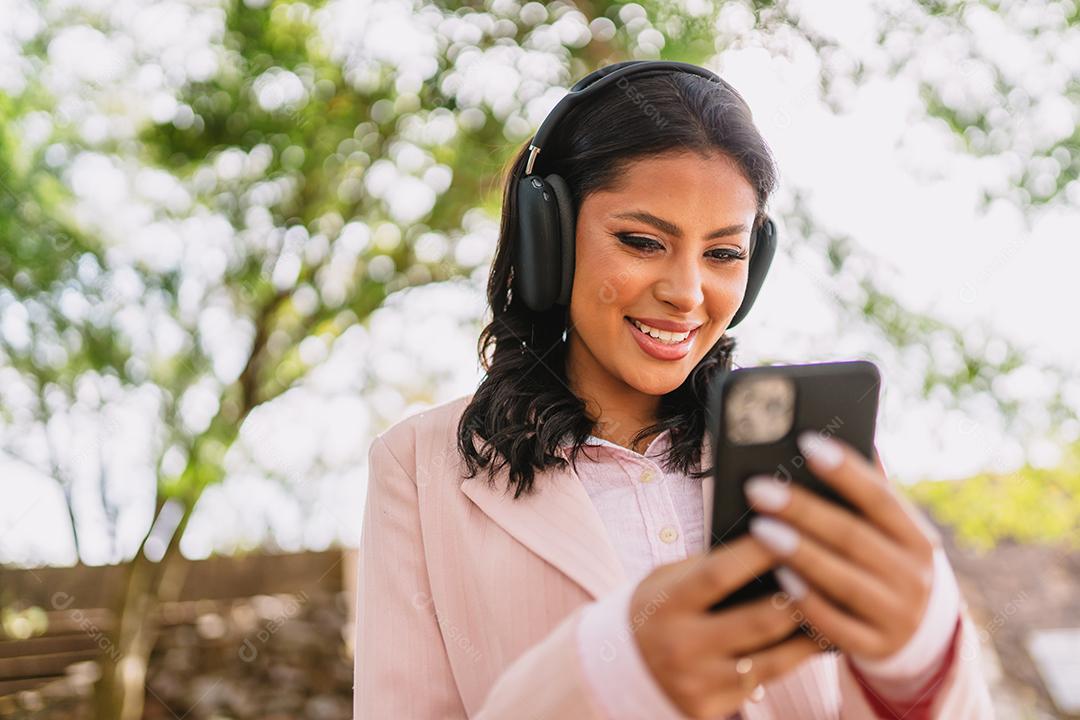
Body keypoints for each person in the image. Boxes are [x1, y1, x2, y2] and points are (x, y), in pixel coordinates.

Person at [353, 61, 994, 719]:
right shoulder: (417, 467)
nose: (687, 293)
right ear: (549, 238)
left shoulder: (819, 450)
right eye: (642, 241)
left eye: (723, 254)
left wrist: (918, 664)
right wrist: (610, 675)